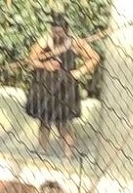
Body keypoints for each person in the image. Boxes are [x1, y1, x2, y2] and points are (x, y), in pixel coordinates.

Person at [25, 11, 99, 158]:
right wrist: (45, 65)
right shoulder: (44, 41)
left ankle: (68, 155)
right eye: (54, 32)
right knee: (45, 120)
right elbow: (31, 60)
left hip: (65, 87)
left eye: (60, 32)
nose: (57, 35)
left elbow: (94, 58)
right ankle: (42, 151)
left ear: (66, 31)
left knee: (63, 122)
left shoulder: (75, 43)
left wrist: (79, 72)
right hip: (45, 85)